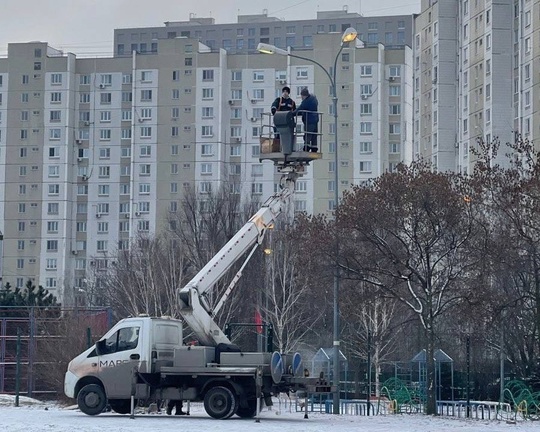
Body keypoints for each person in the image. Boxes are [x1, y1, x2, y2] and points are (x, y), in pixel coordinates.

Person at [294, 87, 319, 152]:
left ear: (304, 95)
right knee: (314, 134)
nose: (301, 98)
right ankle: (314, 147)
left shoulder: (306, 101)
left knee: (308, 134)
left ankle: (306, 147)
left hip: (309, 120)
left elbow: (300, 109)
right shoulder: (314, 99)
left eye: (301, 96)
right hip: (315, 119)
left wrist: (291, 113)